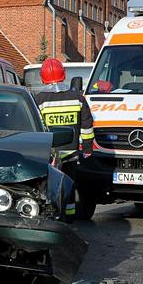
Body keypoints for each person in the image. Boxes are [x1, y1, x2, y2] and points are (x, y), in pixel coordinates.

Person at [34, 58, 95, 219]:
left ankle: (51, 216)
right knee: (69, 187)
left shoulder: (39, 100)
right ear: (64, 75)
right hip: (71, 154)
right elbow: (87, 126)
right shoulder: (78, 98)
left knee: (49, 188)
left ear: (42, 77)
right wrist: (87, 149)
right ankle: (68, 218)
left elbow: (36, 129)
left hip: (48, 156)